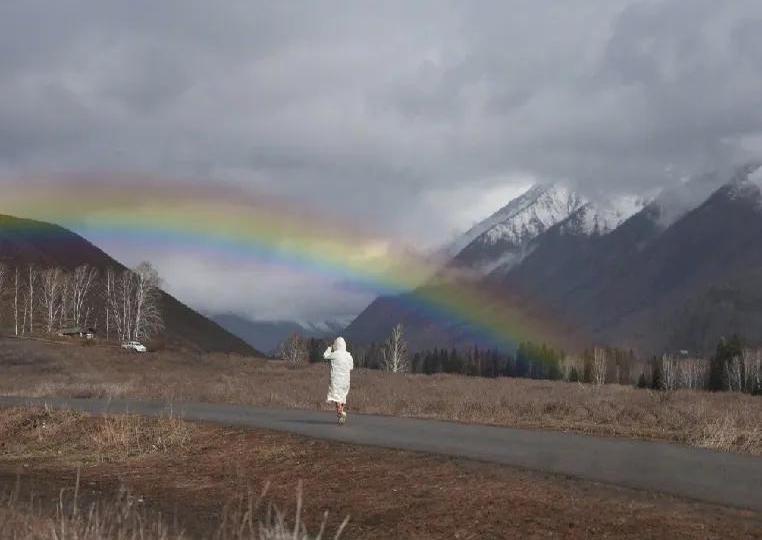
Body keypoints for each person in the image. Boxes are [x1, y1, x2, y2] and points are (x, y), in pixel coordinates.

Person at [323, 336, 353, 424]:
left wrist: (330, 348)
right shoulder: (348, 356)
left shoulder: (335, 354)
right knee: (342, 397)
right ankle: (341, 414)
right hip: (345, 380)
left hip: (336, 380)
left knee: (336, 397)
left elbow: (325, 355)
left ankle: (340, 412)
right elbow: (351, 367)